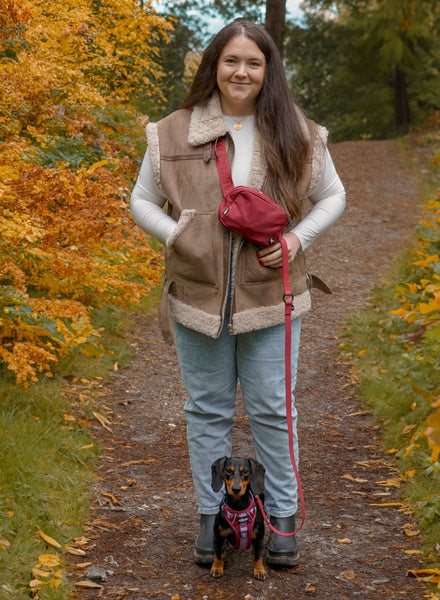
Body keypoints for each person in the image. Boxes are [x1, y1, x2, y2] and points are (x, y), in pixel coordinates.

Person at [130, 18, 346, 569]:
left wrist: (297, 240)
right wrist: (177, 233)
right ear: (214, 66)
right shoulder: (173, 131)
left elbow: (333, 196)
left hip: (273, 296)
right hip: (196, 296)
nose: (241, 72)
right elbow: (142, 201)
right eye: (231, 61)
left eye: (253, 62)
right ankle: (213, 518)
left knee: (274, 410)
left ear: (268, 70)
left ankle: (281, 521)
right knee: (206, 410)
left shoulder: (296, 131)